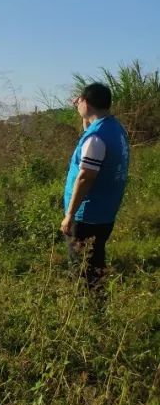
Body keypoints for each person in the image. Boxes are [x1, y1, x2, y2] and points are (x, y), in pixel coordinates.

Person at [61, 82, 130, 293]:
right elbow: (89, 130)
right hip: (105, 211)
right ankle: (97, 303)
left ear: (87, 103)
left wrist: (70, 214)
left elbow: (85, 178)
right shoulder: (113, 127)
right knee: (95, 261)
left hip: (86, 215)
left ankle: (88, 310)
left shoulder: (96, 139)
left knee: (82, 268)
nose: (77, 103)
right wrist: (83, 112)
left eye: (80, 100)